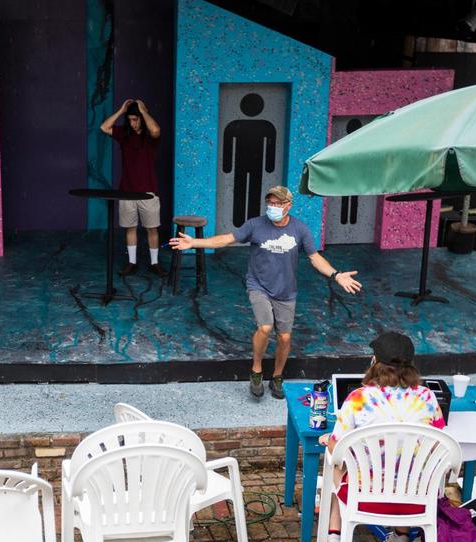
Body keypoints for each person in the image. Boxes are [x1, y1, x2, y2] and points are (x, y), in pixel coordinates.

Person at [169, 186, 362, 399]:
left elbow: (315, 258)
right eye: (270, 203)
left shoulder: (300, 229)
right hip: (258, 286)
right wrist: (195, 242)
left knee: (285, 336)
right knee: (265, 326)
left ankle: (277, 376)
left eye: (278, 204)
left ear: (289, 205)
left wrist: (336, 275)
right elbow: (227, 239)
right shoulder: (255, 225)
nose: (273, 207)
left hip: (286, 290)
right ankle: (257, 369)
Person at [320, 331, 446, 542]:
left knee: (336, 462)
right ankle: (401, 535)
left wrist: (328, 441)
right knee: (406, 463)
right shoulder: (427, 397)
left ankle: (334, 534)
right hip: (416, 497)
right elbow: (439, 443)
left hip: (365, 496)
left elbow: (336, 448)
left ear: (375, 363)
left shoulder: (359, 398)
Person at [100, 98, 163, 276]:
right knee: (130, 228)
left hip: (148, 191)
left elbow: (156, 130)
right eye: (130, 120)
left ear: (142, 118)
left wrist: (144, 112)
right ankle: (132, 262)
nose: (132, 123)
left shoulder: (150, 137)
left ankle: (155, 263)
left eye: (135, 119)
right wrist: (121, 111)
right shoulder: (124, 134)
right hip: (127, 190)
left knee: (152, 229)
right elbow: (104, 128)